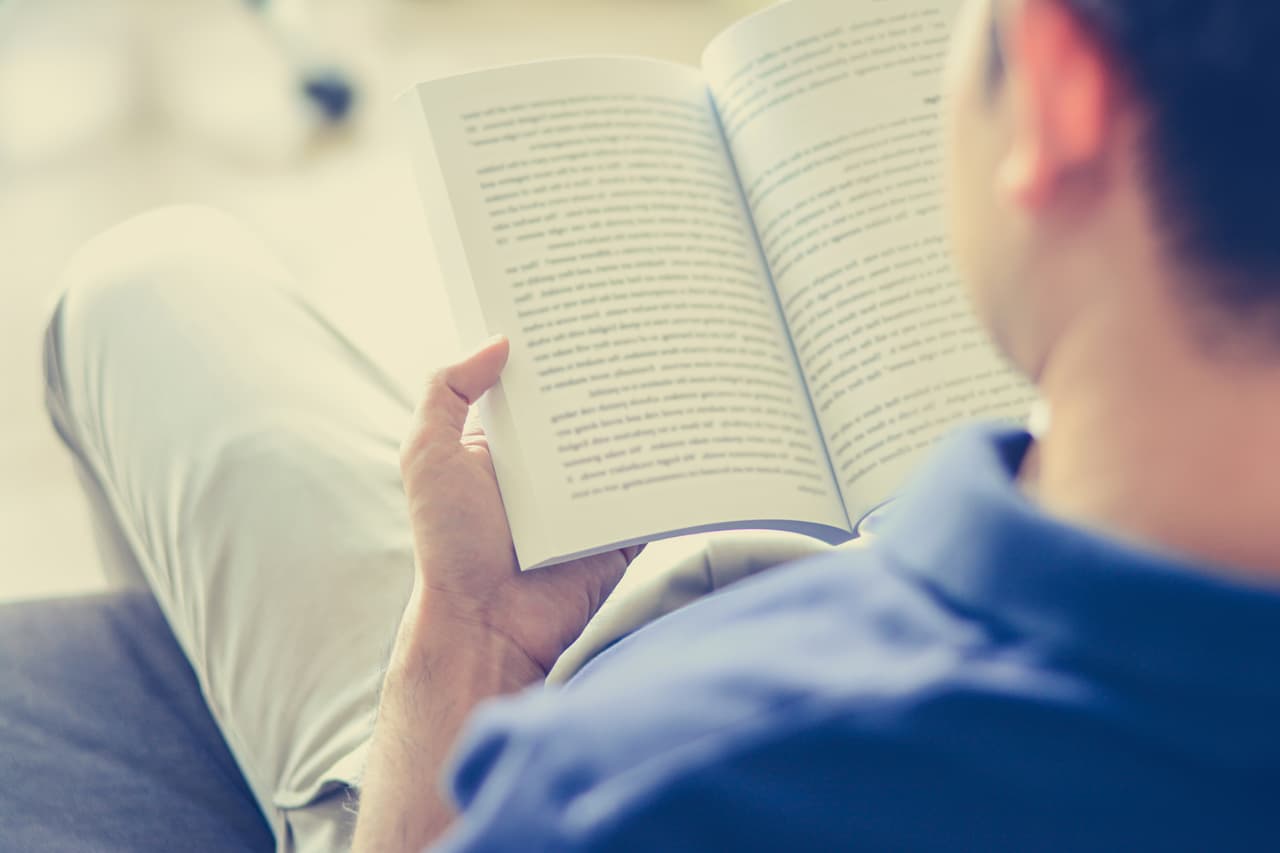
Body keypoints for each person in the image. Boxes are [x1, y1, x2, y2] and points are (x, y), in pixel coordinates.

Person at [44, 0, 1280, 850]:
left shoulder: (627, 786)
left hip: (569, 680)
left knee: (149, 286)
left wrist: (462, 639)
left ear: (1059, 90)